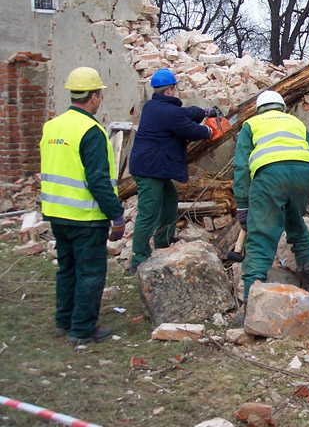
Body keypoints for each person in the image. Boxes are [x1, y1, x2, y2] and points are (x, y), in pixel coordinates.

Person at [40, 67, 125, 346]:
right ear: (94, 96)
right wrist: (116, 215)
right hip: (85, 217)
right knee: (90, 273)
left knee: (66, 269)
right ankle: (82, 330)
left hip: (56, 213)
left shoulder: (52, 126)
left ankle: (62, 323)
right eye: (100, 93)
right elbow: (98, 181)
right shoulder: (91, 131)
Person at [232, 90, 309, 324]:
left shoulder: (251, 124)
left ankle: (250, 307)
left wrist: (243, 205)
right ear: (282, 108)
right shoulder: (295, 122)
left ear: (259, 109)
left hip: (269, 176)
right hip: (302, 175)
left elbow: (241, 168)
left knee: (261, 237)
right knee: (296, 225)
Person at [128, 68, 216, 274]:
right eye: (175, 88)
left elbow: (185, 113)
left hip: (153, 167)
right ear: (169, 90)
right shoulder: (167, 112)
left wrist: (205, 112)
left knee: (169, 202)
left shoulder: (154, 107)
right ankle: (139, 259)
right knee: (148, 212)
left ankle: (164, 241)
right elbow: (190, 129)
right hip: (149, 169)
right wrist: (209, 130)